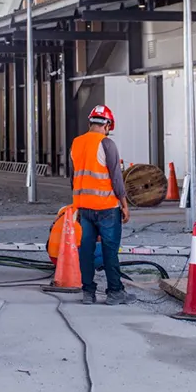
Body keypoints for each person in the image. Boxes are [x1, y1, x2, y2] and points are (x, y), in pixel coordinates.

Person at [71, 105, 132, 306]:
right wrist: (124, 204)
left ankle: (88, 292)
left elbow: (74, 177)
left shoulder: (76, 143)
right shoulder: (107, 143)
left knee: (86, 250)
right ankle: (115, 292)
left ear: (90, 123)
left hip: (84, 207)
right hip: (107, 207)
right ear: (106, 124)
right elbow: (116, 178)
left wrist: (78, 205)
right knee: (109, 250)